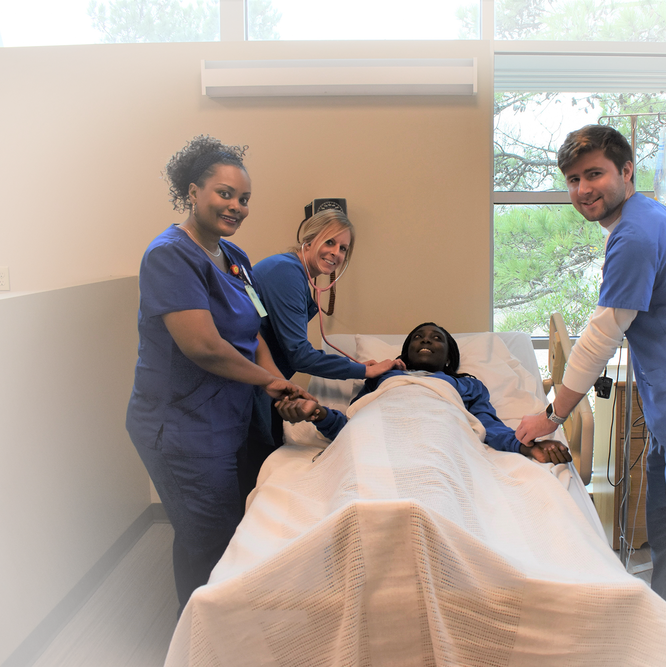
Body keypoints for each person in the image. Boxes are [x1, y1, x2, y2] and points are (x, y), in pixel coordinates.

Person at [514, 124, 666, 666]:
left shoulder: (635, 235)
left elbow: (602, 333)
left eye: (595, 174)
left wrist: (552, 415)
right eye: (574, 179)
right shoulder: (642, 219)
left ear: (627, 172)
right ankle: (664, 642)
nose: (583, 188)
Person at [125, 135, 310, 611]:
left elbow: (255, 336)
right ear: (192, 192)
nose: (236, 206)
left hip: (228, 418)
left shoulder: (235, 258)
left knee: (226, 531)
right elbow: (204, 347)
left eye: (244, 198)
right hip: (181, 426)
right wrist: (269, 381)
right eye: (224, 193)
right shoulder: (169, 255)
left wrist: (279, 382)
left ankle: (220, 633)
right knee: (207, 540)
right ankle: (198, 645)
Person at [243, 210, 404, 484]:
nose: (336, 253)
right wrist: (364, 372)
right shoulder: (285, 272)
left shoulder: (291, 273)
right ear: (308, 240)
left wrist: (360, 366)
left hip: (262, 383)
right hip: (248, 385)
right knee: (251, 471)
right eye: (329, 242)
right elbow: (299, 355)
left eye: (343, 248)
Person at [277, 322, 573, 464]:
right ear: (405, 353)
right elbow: (353, 427)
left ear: (448, 358)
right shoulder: (382, 380)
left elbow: (488, 426)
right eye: (417, 337)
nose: (425, 340)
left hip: (439, 436)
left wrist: (526, 447)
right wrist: (319, 414)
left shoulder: (466, 385)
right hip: (379, 438)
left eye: (436, 338)